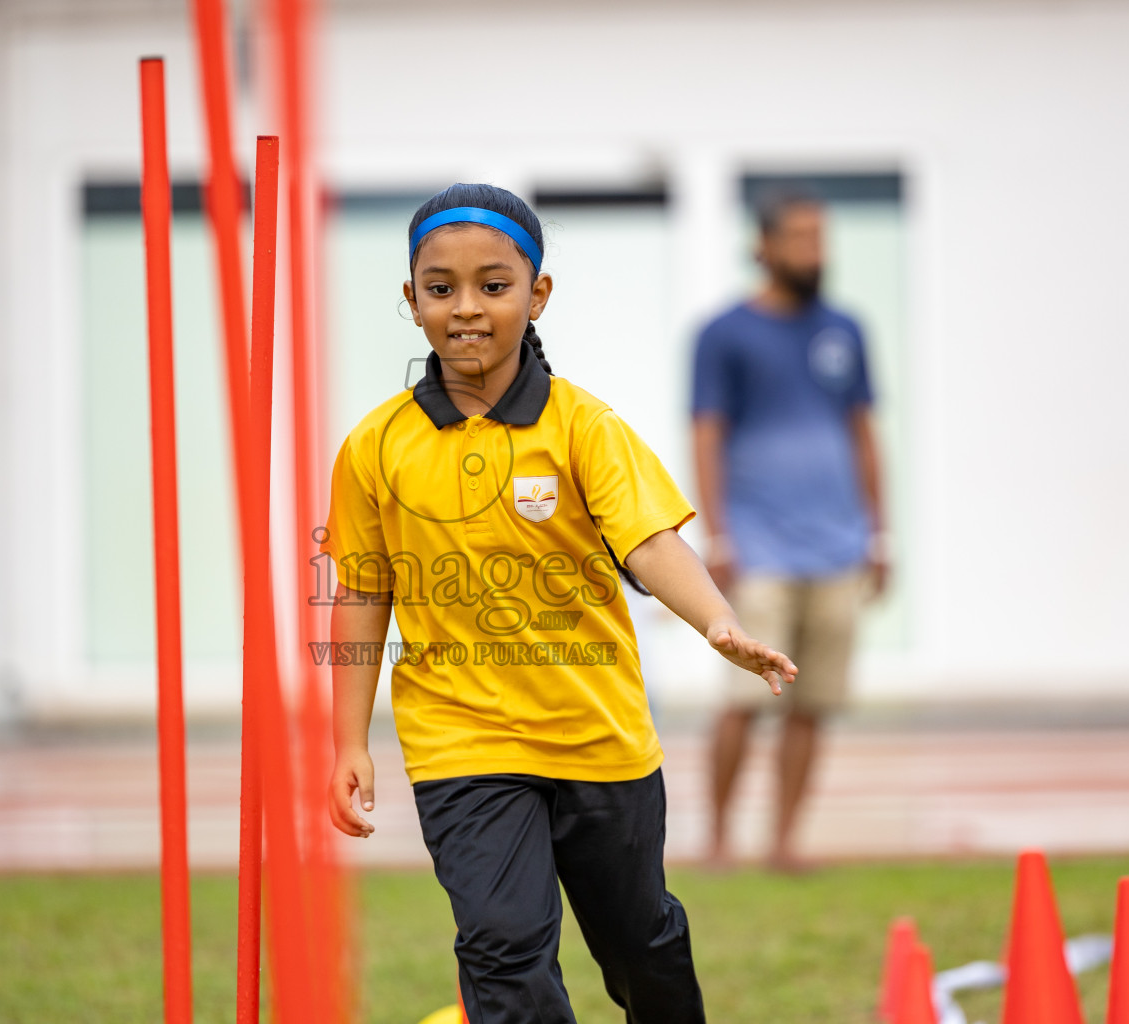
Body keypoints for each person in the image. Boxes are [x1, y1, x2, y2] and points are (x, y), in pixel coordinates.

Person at [321, 183, 797, 1024]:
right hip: (460, 739)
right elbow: (363, 587)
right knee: (502, 947)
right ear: (411, 300)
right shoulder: (374, 445)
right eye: (441, 288)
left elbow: (650, 542)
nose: (466, 308)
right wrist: (347, 740)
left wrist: (718, 621)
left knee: (639, 942)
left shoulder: (583, 427)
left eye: (493, 285)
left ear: (536, 294)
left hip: (598, 735)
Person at [690, 189, 889, 874]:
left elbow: (864, 433)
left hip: (837, 546)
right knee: (744, 702)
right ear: (764, 247)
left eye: (821, 237)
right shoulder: (723, 334)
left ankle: (783, 844)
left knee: (814, 703)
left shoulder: (846, 331)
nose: (815, 251)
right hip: (760, 545)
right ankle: (716, 840)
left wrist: (878, 535)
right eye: (801, 237)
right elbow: (706, 436)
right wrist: (718, 537)